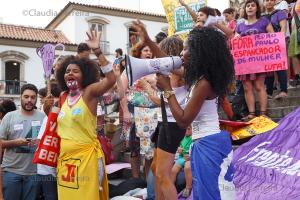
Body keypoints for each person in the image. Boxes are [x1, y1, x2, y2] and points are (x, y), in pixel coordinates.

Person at [131, 20, 235, 200]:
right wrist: (148, 40)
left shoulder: (203, 83)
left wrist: (168, 91)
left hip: (208, 144)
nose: (181, 53)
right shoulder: (198, 77)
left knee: (210, 194)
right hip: (202, 143)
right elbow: (166, 60)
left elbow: (183, 120)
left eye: (186, 49)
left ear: (199, 54)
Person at [55, 29, 116, 200]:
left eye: (75, 71)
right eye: (67, 71)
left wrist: (97, 51)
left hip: (86, 161)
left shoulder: (89, 93)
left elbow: (111, 79)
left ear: (84, 75)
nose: (70, 74)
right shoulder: (63, 97)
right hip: (66, 161)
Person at [146, 36, 188, 200]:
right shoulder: (176, 73)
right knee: (157, 169)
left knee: (163, 174)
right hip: (166, 122)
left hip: (171, 124)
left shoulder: (176, 74)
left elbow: (162, 100)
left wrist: (147, 88)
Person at [0, 84, 45, 200]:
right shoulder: (9, 117)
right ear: (21, 97)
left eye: (33, 97)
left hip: (34, 173)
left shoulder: (43, 117)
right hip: (11, 171)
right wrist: (16, 142)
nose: (29, 100)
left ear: (36, 99)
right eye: (26, 97)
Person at [236, 0, 274, 120]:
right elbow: (235, 41)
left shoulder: (264, 21)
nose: (250, 8)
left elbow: (273, 37)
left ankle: (263, 112)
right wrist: (236, 40)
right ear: (245, 9)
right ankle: (251, 113)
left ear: (257, 8)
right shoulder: (240, 25)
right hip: (244, 62)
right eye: (248, 6)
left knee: (259, 86)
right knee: (247, 87)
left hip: (260, 61)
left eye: (253, 5)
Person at [263, 0, 288, 99]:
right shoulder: (261, 17)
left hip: (277, 42)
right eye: (266, 0)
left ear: (274, 2)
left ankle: (283, 90)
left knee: (280, 67)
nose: (269, 2)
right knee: (268, 68)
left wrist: (279, 41)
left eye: (271, 0)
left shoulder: (280, 13)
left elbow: (283, 27)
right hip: (265, 45)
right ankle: (269, 92)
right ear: (263, 3)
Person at [171, 127, 192, 198]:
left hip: (190, 158)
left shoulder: (193, 138)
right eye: (185, 129)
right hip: (182, 158)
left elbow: (193, 150)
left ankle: (188, 188)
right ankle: (171, 188)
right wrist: (179, 149)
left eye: (189, 129)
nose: (186, 131)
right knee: (173, 170)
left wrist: (188, 154)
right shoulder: (183, 137)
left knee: (187, 168)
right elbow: (180, 148)